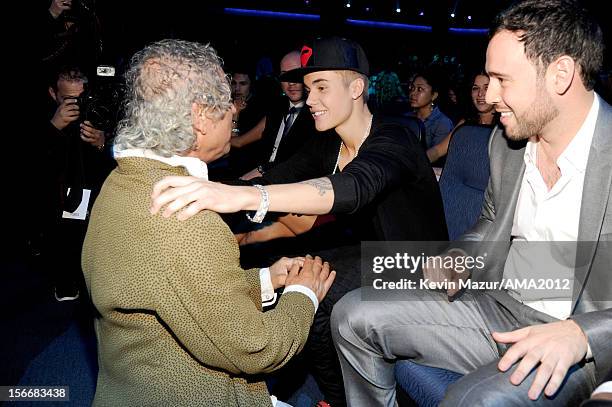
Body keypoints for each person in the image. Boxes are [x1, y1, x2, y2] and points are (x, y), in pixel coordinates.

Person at [331, 0, 611, 405]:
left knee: (467, 401)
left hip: (579, 346)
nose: (489, 95)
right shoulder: (507, 142)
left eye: (502, 79)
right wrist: (459, 255)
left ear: (561, 74)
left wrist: (583, 334)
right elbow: (491, 220)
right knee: (352, 315)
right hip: (499, 307)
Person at [149, 37, 448, 406]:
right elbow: (276, 178)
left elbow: (353, 187)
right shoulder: (328, 143)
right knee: (303, 274)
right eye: (308, 89)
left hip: (418, 264)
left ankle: (340, 399)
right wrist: (190, 178)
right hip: (370, 255)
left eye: (321, 87)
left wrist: (245, 197)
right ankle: (335, 394)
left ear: (356, 87)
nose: (309, 100)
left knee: (317, 294)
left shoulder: (395, 136)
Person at [81, 39, 336, 406]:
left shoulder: (122, 181)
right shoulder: (187, 221)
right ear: (201, 116)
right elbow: (257, 349)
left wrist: (267, 278)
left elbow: (178, 291)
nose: (235, 111)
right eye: (227, 101)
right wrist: (303, 293)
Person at [41, 65, 112, 301]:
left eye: (81, 98)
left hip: (95, 190)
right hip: (59, 195)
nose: (76, 105)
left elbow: (118, 159)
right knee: (66, 240)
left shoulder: (100, 110)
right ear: (53, 94)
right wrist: (53, 128)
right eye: (69, 99)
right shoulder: (44, 117)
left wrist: (102, 143)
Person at [241, 50, 317, 180]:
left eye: (296, 75)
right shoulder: (275, 108)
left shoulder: (317, 115)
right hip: (257, 176)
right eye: (285, 76)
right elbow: (246, 145)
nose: (291, 83)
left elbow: (299, 164)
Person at [426, 71, 498, 163]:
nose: (480, 94)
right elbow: (438, 150)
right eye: (475, 88)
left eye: (486, 88)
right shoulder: (466, 123)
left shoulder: (503, 125)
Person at [406, 69, 454, 149]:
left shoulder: (442, 123)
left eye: (420, 89)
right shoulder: (406, 117)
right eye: (412, 88)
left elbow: (435, 155)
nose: (412, 93)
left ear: (434, 95)